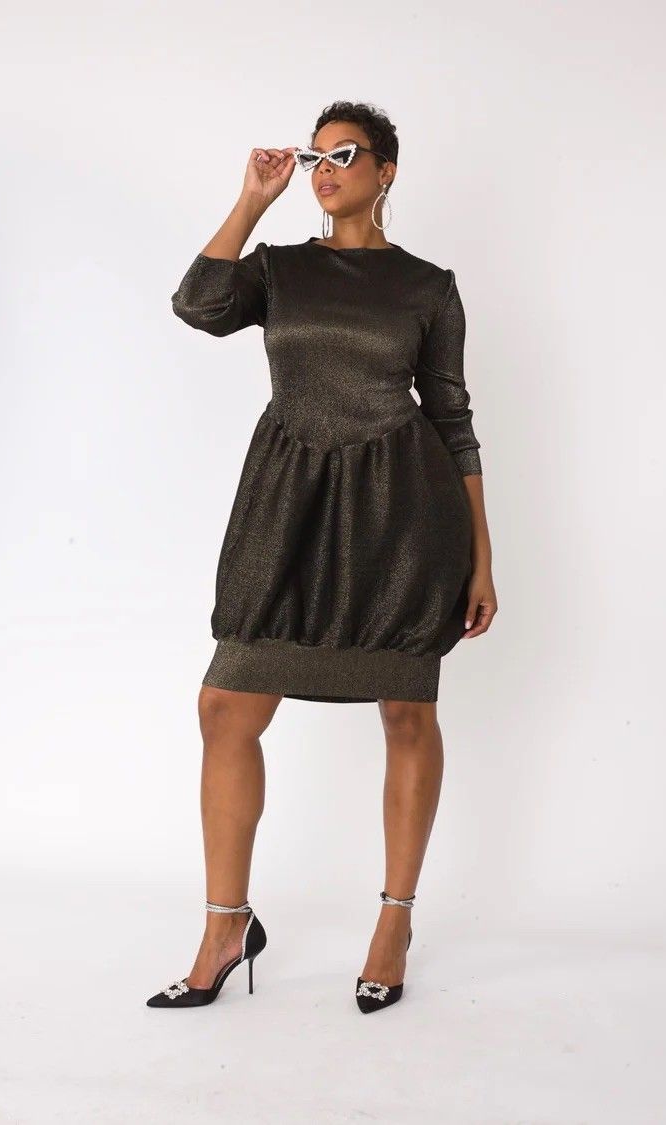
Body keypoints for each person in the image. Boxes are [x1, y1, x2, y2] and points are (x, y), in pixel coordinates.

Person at [146, 101, 498, 1014]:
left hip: (400, 514)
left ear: (386, 172)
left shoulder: (428, 285)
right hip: (287, 511)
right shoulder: (281, 269)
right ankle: (227, 923)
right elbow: (197, 304)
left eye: (347, 154)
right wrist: (252, 198)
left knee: (406, 712)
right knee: (227, 702)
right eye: (316, 155)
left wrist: (482, 558)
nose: (326, 166)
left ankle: (394, 919)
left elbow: (454, 419)